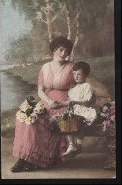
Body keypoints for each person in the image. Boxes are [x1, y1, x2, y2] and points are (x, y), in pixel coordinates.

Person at [10, 36, 75, 172]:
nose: (63, 54)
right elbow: (40, 90)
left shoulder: (71, 67)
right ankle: (24, 159)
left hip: (63, 103)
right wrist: (49, 101)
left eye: (66, 51)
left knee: (40, 122)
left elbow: (76, 91)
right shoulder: (45, 67)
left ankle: (34, 161)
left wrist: (62, 103)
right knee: (28, 119)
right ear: (54, 50)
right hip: (47, 100)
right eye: (60, 50)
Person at [57, 61, 97, 157]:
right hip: (75, 111)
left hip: (85, 110)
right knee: (66, 119)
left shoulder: (87, 86)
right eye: (74, 74)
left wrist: (75, 102)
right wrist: (61, 104)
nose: (76, 76)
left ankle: (78, 145)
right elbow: (70, 102)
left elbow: (87, 101)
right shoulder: (72, 89)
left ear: (86, 75)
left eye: (79, 74)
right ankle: (71, 144)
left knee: (80, 120)